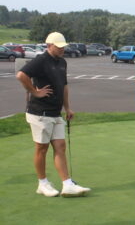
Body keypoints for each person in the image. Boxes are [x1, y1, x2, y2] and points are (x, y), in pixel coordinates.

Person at [16, 32, 90, 198]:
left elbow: (63, 86)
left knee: (60, 147)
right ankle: (42, 184)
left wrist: (67, 108)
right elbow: (21, 75)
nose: (62, 49)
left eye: (63, 46)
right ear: (49, 45)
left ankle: (67, 184)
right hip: (39, 113)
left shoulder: (62, 62)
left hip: (55, 113)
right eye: (59, 46)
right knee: (41, 149)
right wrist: (35, 91)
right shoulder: (41, 60)